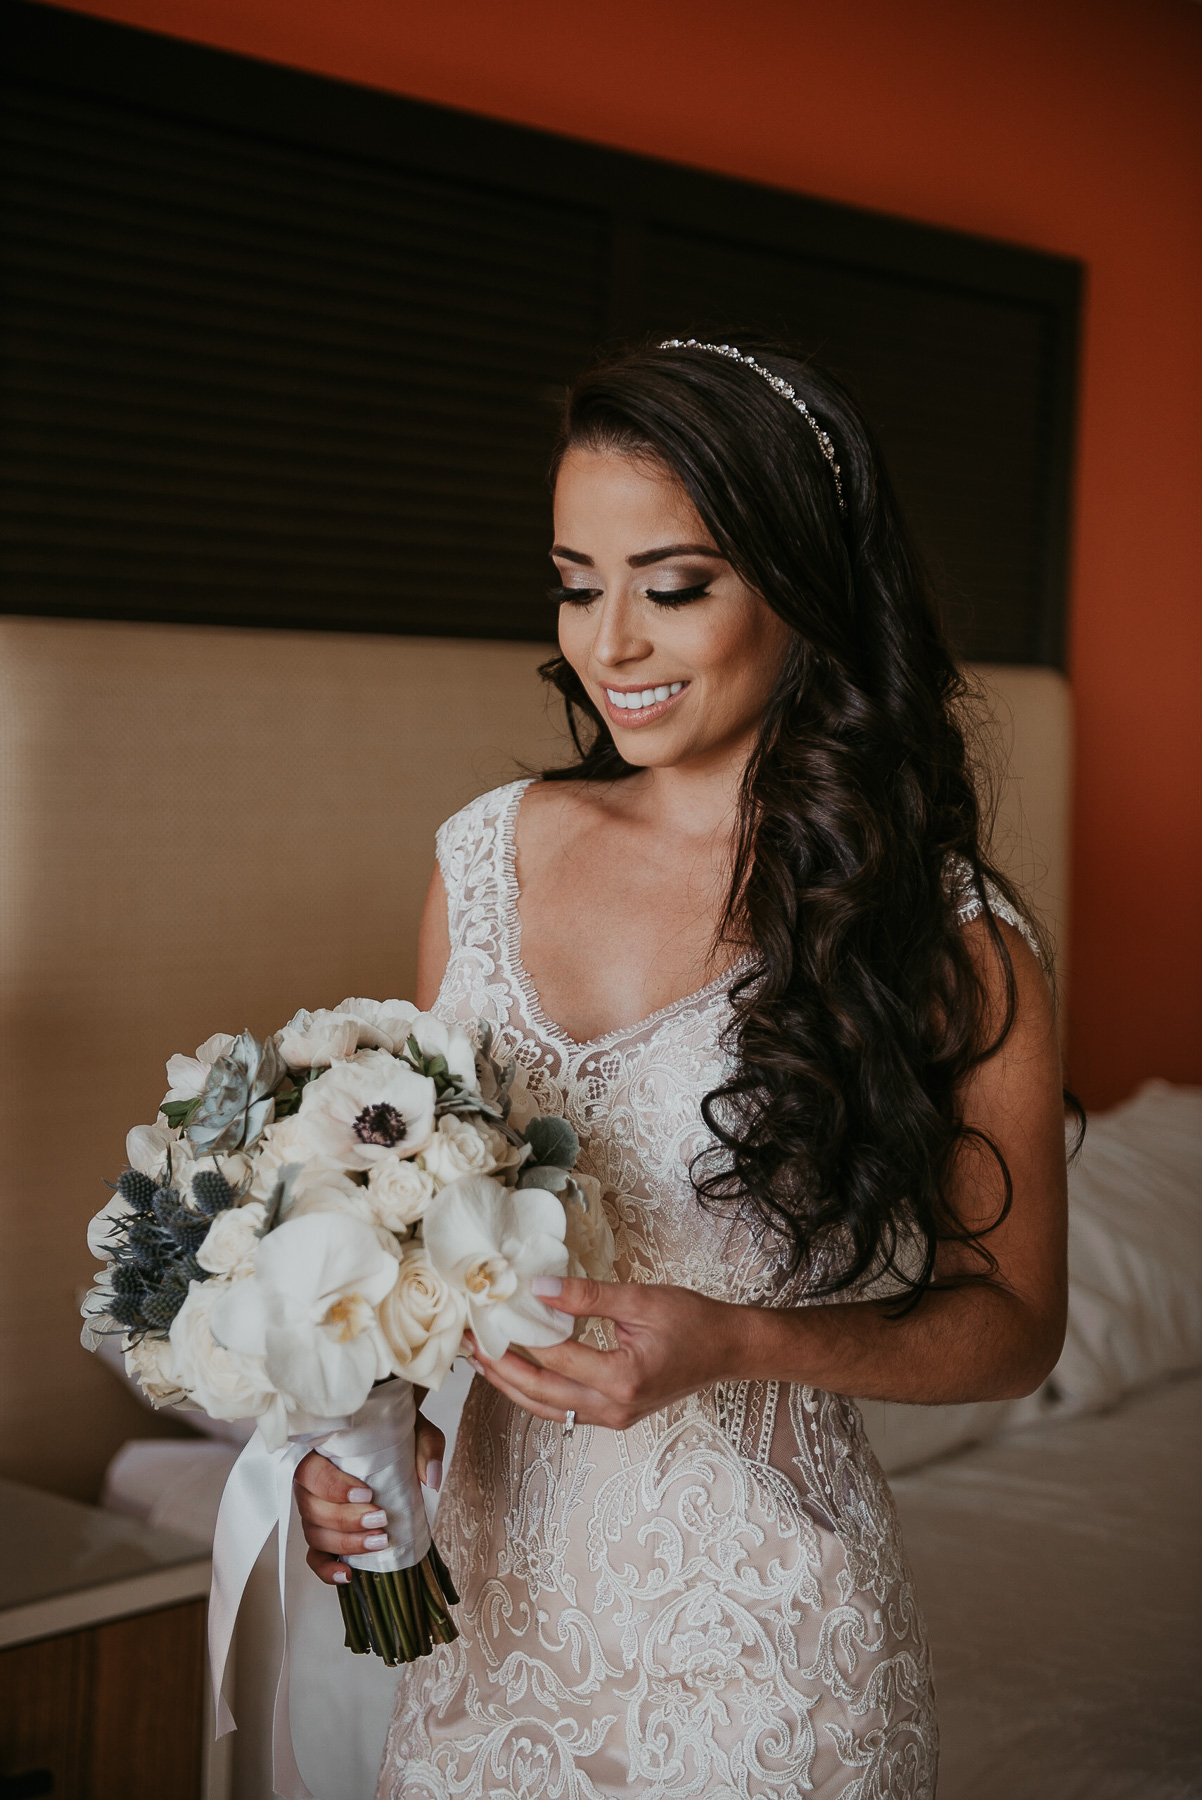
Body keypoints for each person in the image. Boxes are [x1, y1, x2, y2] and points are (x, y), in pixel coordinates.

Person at [294, 337, 1071, 1798]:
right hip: (482, 1637)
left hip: (765, 1656)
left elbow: (1014, 1326)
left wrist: (735, 1340)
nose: (610, 645)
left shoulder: (946, 936)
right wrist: (360, 1450)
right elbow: (407, 1236)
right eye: (577, 585)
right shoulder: (483, 854)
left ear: (801, 584)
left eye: (672, 585)